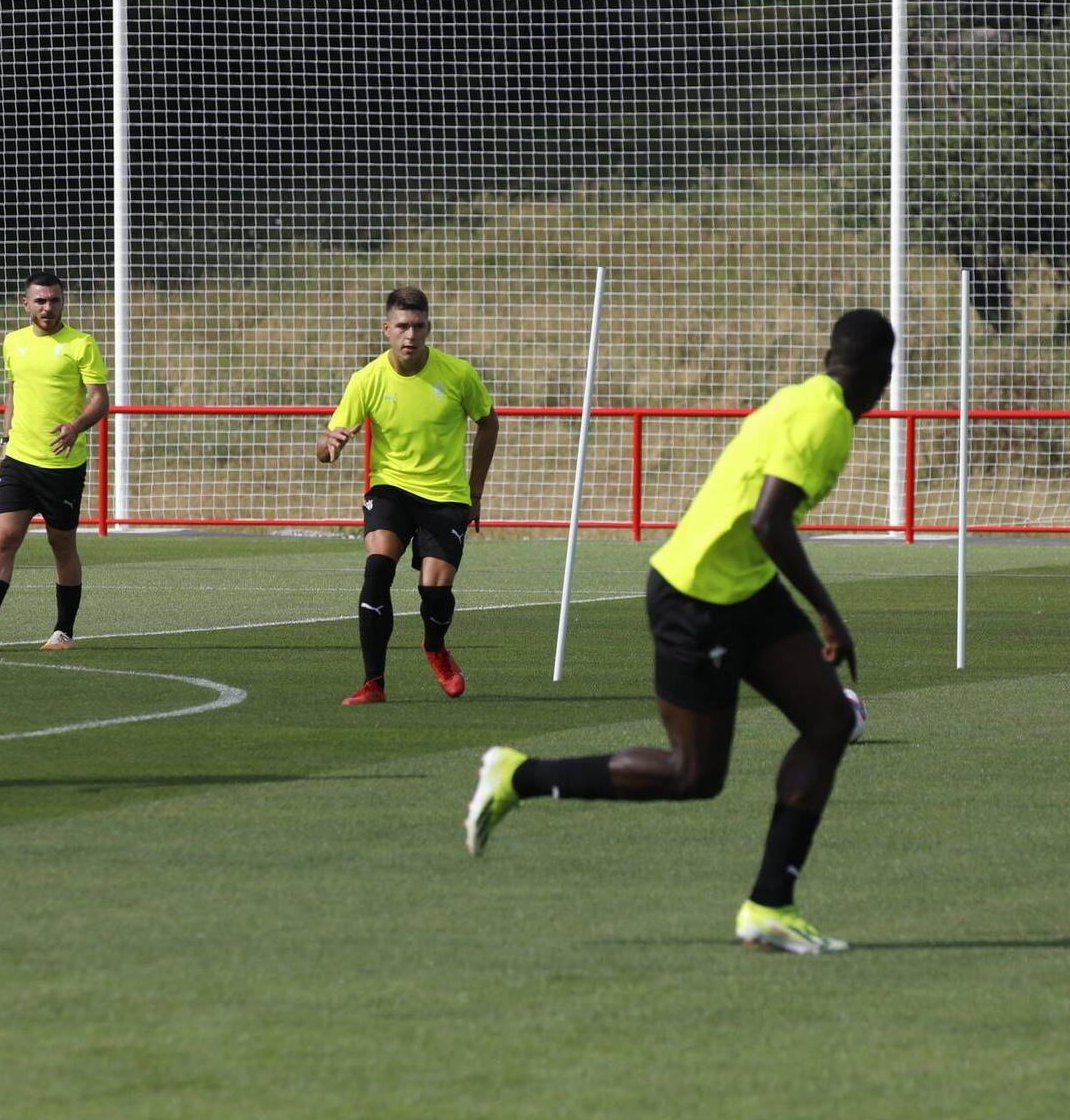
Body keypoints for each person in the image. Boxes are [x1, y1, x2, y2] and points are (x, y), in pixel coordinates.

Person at [464, 308, 896, 955]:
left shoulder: (804, 396)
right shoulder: (826, 418)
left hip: (742, 587)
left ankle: (770, 906)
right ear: (880, 373)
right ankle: (517, 775)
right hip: (696, 596)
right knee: (692, 774)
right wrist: (829, 613)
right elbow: (768, 522)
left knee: (830, 720)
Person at [317, 285, 499, 704]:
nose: (410, 336)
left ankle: (435, 646)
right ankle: (373, 683)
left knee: (435, 592)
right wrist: (331, 445)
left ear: (428, 328)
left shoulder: (458, 374)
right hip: (390, 489)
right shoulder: (366, 379)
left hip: (445, 495)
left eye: (418, 326)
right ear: (387, 329)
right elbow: (324, 451)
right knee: (378, 568)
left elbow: (489, 423)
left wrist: (475, 492)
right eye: (402, 326)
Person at [0, 272, 109, 652]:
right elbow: (13, 391)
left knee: (62, 545)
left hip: (61, 465)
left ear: (62, 302)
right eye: (40, 301)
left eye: (54, 300)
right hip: (19, 460)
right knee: (4, 537)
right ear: (25, 304)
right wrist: (7, 437)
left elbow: (100, 399)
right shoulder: (13, 342)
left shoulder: (80, 344)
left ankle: (63, 632)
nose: (48, 308)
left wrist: (75, 427)